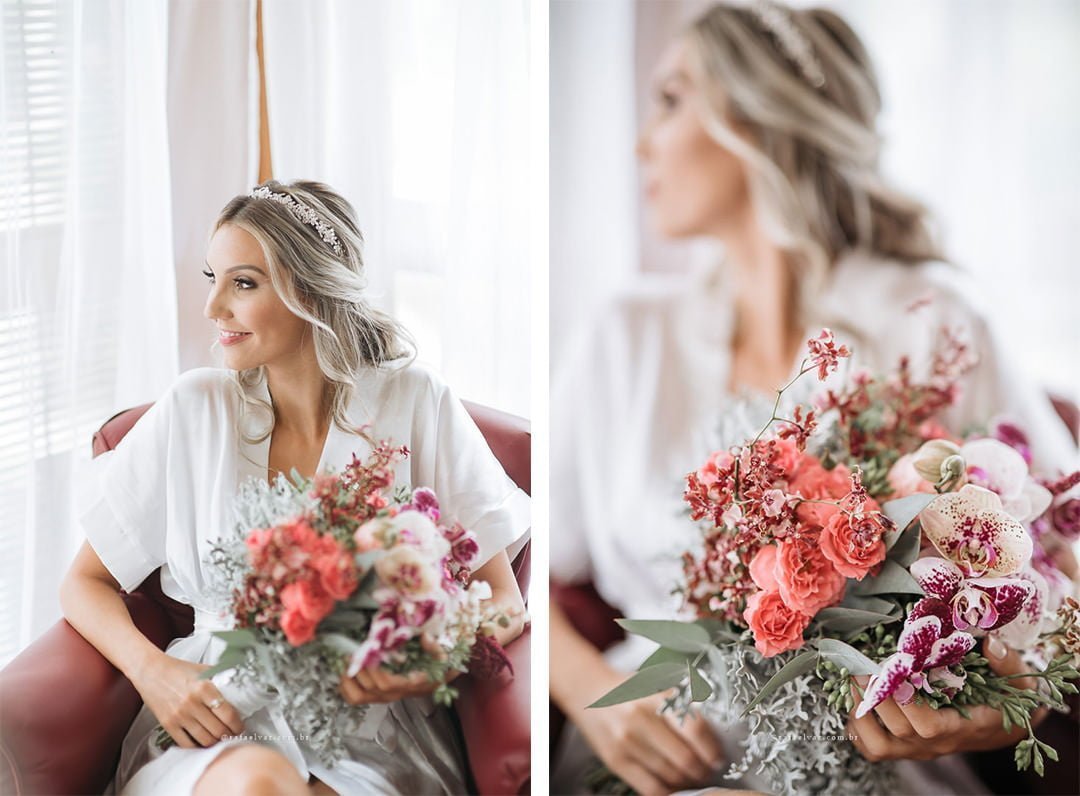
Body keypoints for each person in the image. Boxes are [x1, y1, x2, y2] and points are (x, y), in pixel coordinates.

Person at [549, 3, 1079, 795]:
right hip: (655, 752)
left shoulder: (929, 318)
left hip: (875, 763)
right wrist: (596, 700)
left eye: (670, 100)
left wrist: (1020, 704)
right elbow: (528, 578)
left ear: (754, 115)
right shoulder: (625, 335)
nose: (640, 143)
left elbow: (1066, 560)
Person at [60, 180, 530, 795]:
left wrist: (423, 658)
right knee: (259, 785)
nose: (213, 308)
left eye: (244, 284)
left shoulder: (415, 401)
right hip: (217, 718)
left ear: (312, 291)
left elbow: (503, 600)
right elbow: (83, 584)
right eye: (214, 278)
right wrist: (157, 673)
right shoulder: (193, 410)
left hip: (375, 730)